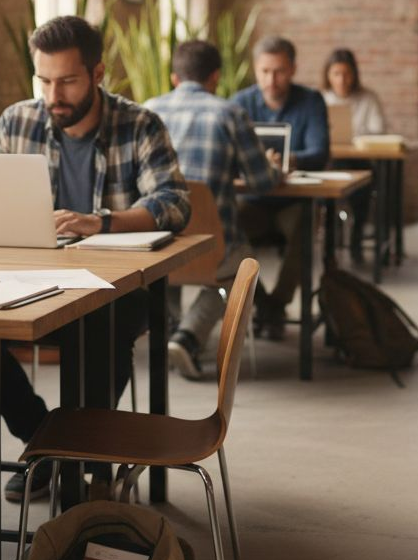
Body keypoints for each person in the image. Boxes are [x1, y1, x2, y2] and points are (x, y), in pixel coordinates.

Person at [0, 15, 190, 502]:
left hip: (116, 292)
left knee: (103, 324)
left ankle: (74, 455)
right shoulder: (18, 122)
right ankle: (46, 442)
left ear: (98, 75)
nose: (53, 95)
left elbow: (175, 203)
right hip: (33, 285)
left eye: (67, 81)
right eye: (44, 80)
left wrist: (103, 222)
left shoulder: (139, 125)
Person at [146, 40, 283, 380]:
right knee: (243, 266)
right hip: (212, 248)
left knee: (170, 254)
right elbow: (261, 182)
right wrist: (274, 166)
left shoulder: (148, 110)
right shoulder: (229, 113)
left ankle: (170, 328)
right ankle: (188, 336)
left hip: (157, 245)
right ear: (215, 77)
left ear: (175, 77)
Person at [233, 36, 330, 339]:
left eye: (279, 71)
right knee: (223, 228)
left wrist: (288, 160)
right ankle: (263, 302)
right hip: (252, 200)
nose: (271, 80)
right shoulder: (240, 103)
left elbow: (320, 152)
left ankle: (278, 303)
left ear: (293, 70)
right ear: (255, 69)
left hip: (293, 202)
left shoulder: (311, 101)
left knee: (306, 227)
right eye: (264, 71)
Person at [321, 48, 385, 263]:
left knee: (365, 188)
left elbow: (379, 130)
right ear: (328, 75)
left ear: (354, 74)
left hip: (360, 160)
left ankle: (356, 242)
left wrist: (355, 136)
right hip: (331, 161)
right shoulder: (320, 99)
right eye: (336, 74)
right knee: (326, 188)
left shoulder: (368, 98)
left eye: (347, 74)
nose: (342, 80)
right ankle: (329, 246)